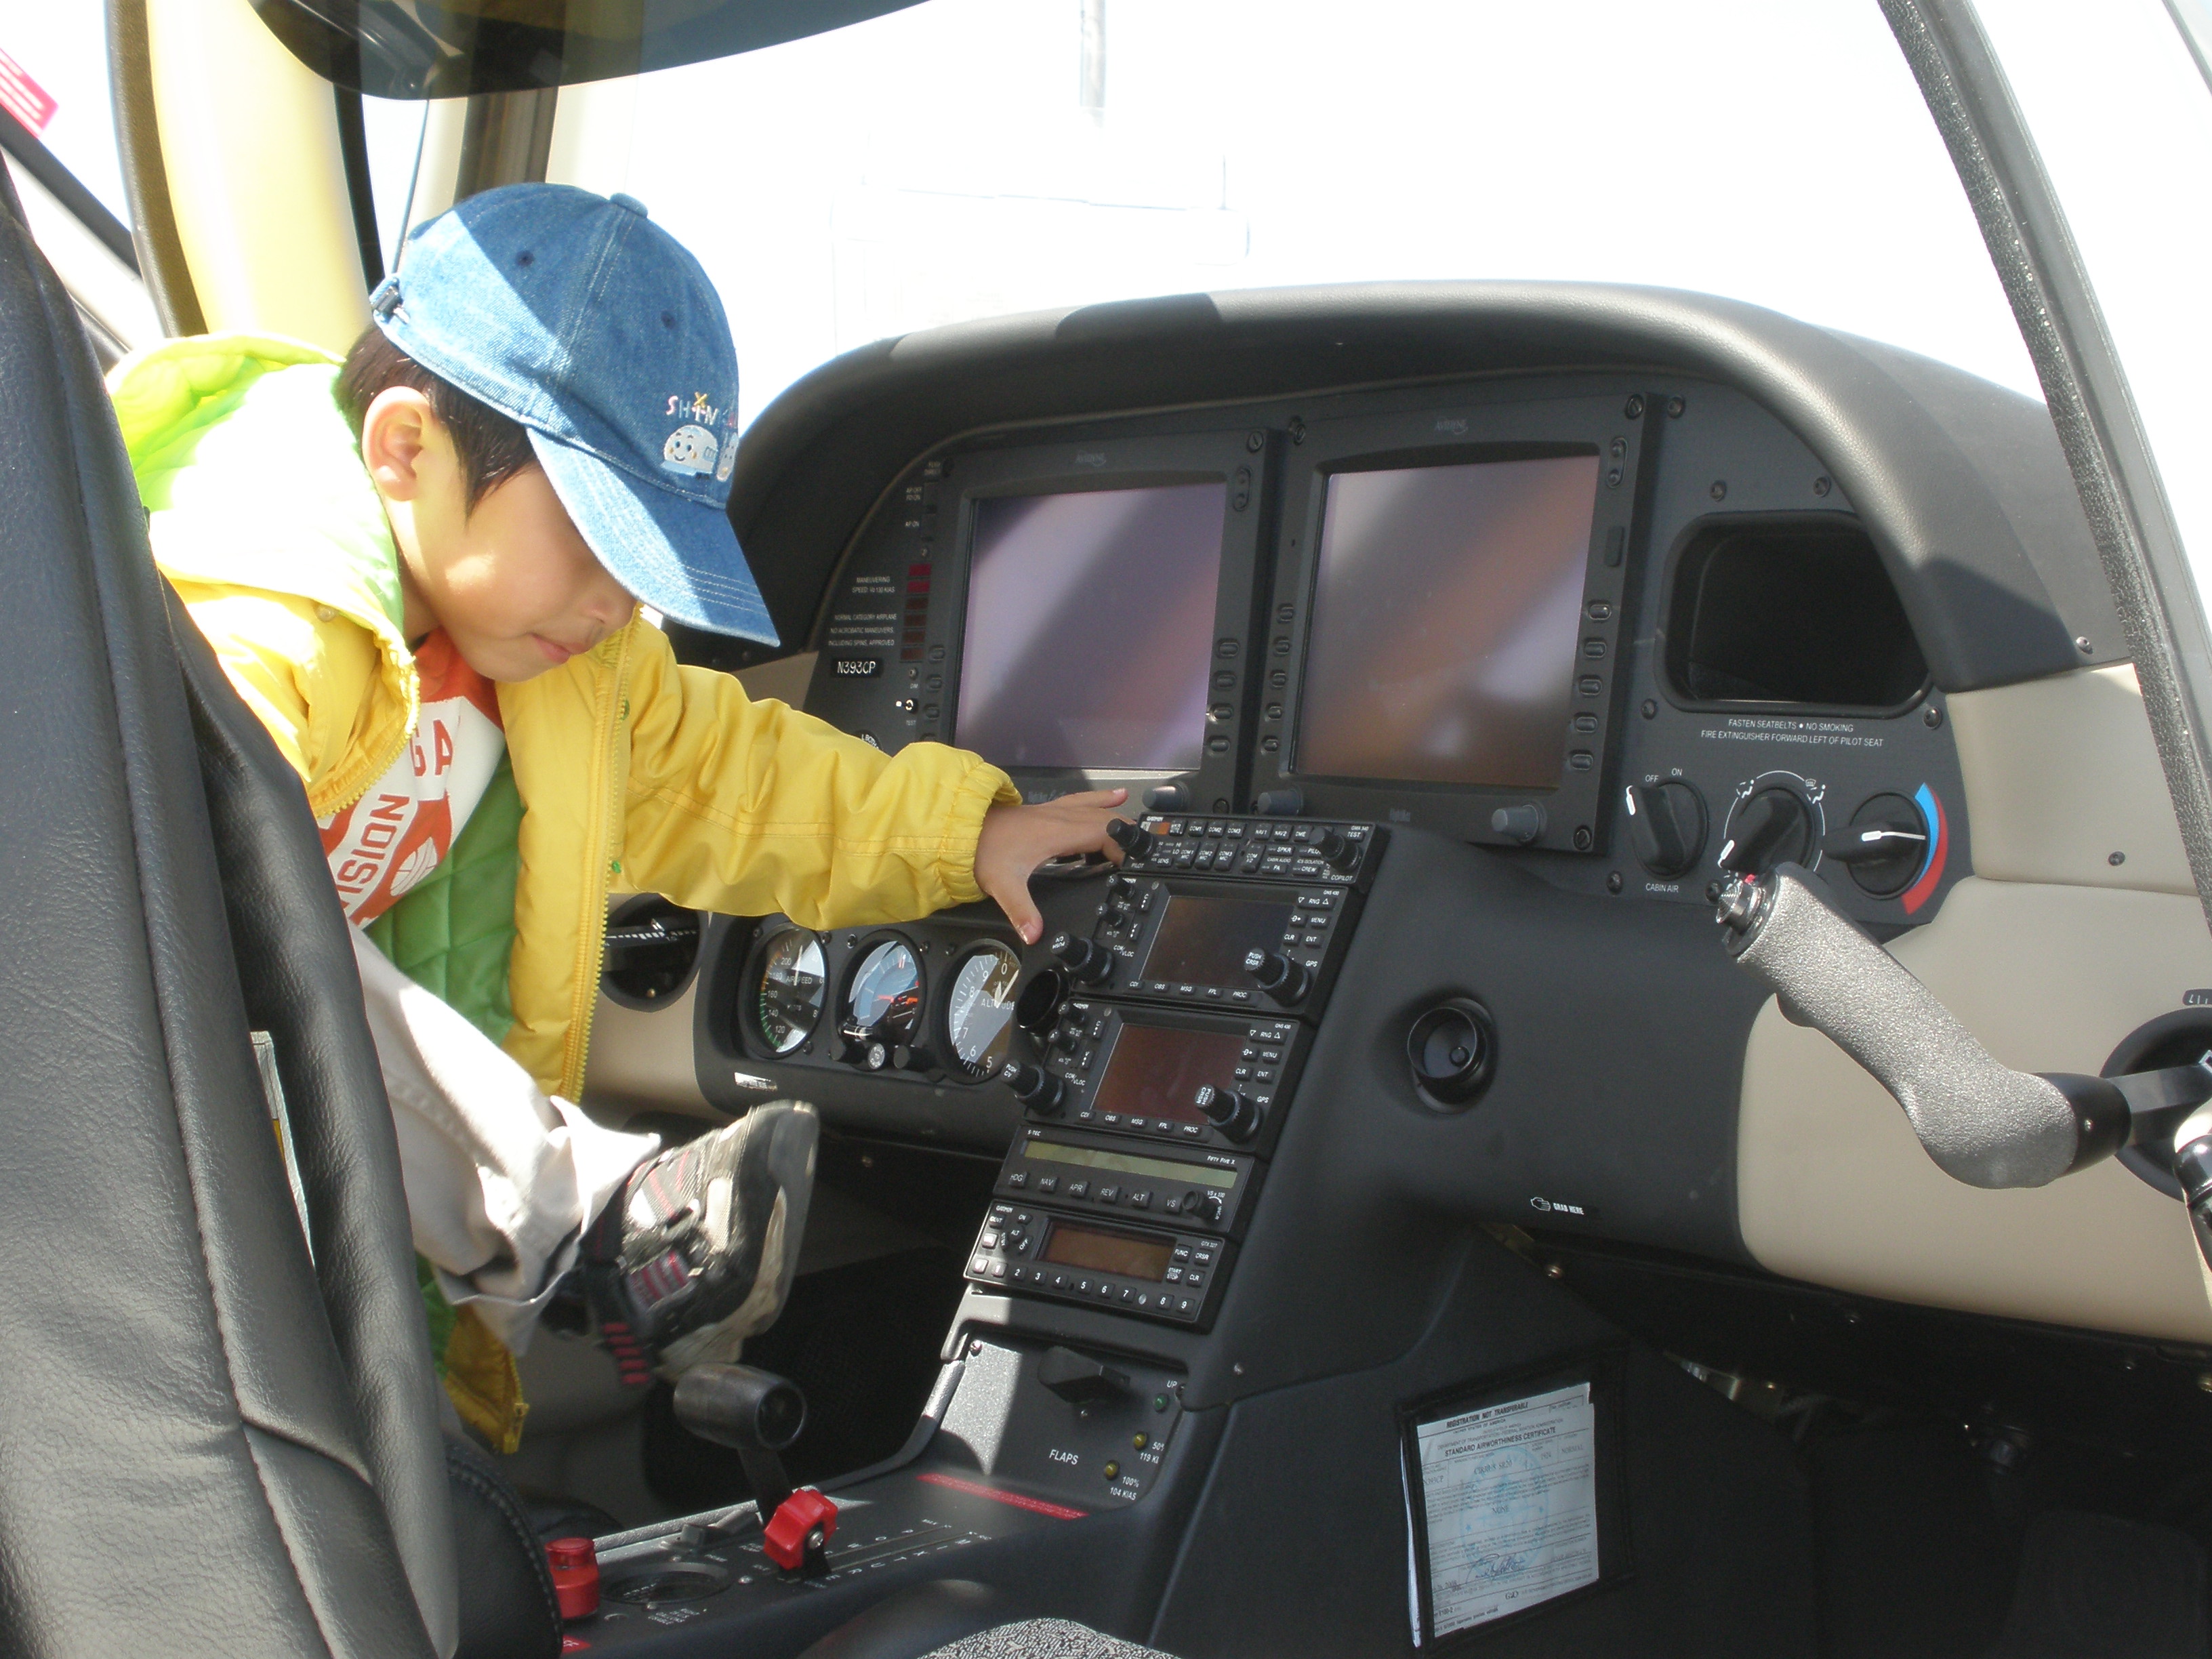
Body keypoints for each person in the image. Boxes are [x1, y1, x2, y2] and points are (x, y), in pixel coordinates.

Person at [108, 184, 1124, 1448]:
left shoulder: (556, 660)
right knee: (244, 909)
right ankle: (588, 1224)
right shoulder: (261, 612)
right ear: (406, 450)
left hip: (285, 1221)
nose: (612, 607)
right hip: (129, 1190)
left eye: (643, 568)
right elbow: (136, 920)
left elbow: (728, 776)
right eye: (592, 541)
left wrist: (965, 833)